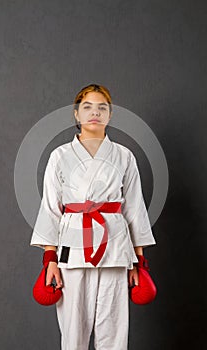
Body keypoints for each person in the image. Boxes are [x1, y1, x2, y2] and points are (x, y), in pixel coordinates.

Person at [30, 83, 156, 350]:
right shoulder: (60, 156)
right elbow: (51, 208)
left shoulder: (124, 156)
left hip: (115, 249)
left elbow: (134, 208)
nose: (94, 113)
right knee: (73, 331)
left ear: (110, 115)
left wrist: (139, 262)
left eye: (102, 107)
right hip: (72, 251)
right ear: (77, 114)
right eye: (87, 107)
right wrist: (49, 260)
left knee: (113, 331)